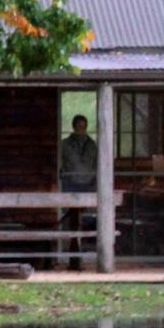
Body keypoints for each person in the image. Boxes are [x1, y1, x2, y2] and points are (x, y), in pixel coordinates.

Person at [58, 114, 100, 270]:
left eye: (84, 126)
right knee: (72, 222)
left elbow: (96, 165)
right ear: (74, 126)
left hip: (88, 186)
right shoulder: (65, 145)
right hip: (71, 186)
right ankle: (74, 258)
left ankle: (81, 256)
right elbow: (61, 165)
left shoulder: (92, 145)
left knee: (85, 222)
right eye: (79, 126)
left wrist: (94, 184)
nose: (81, 129)